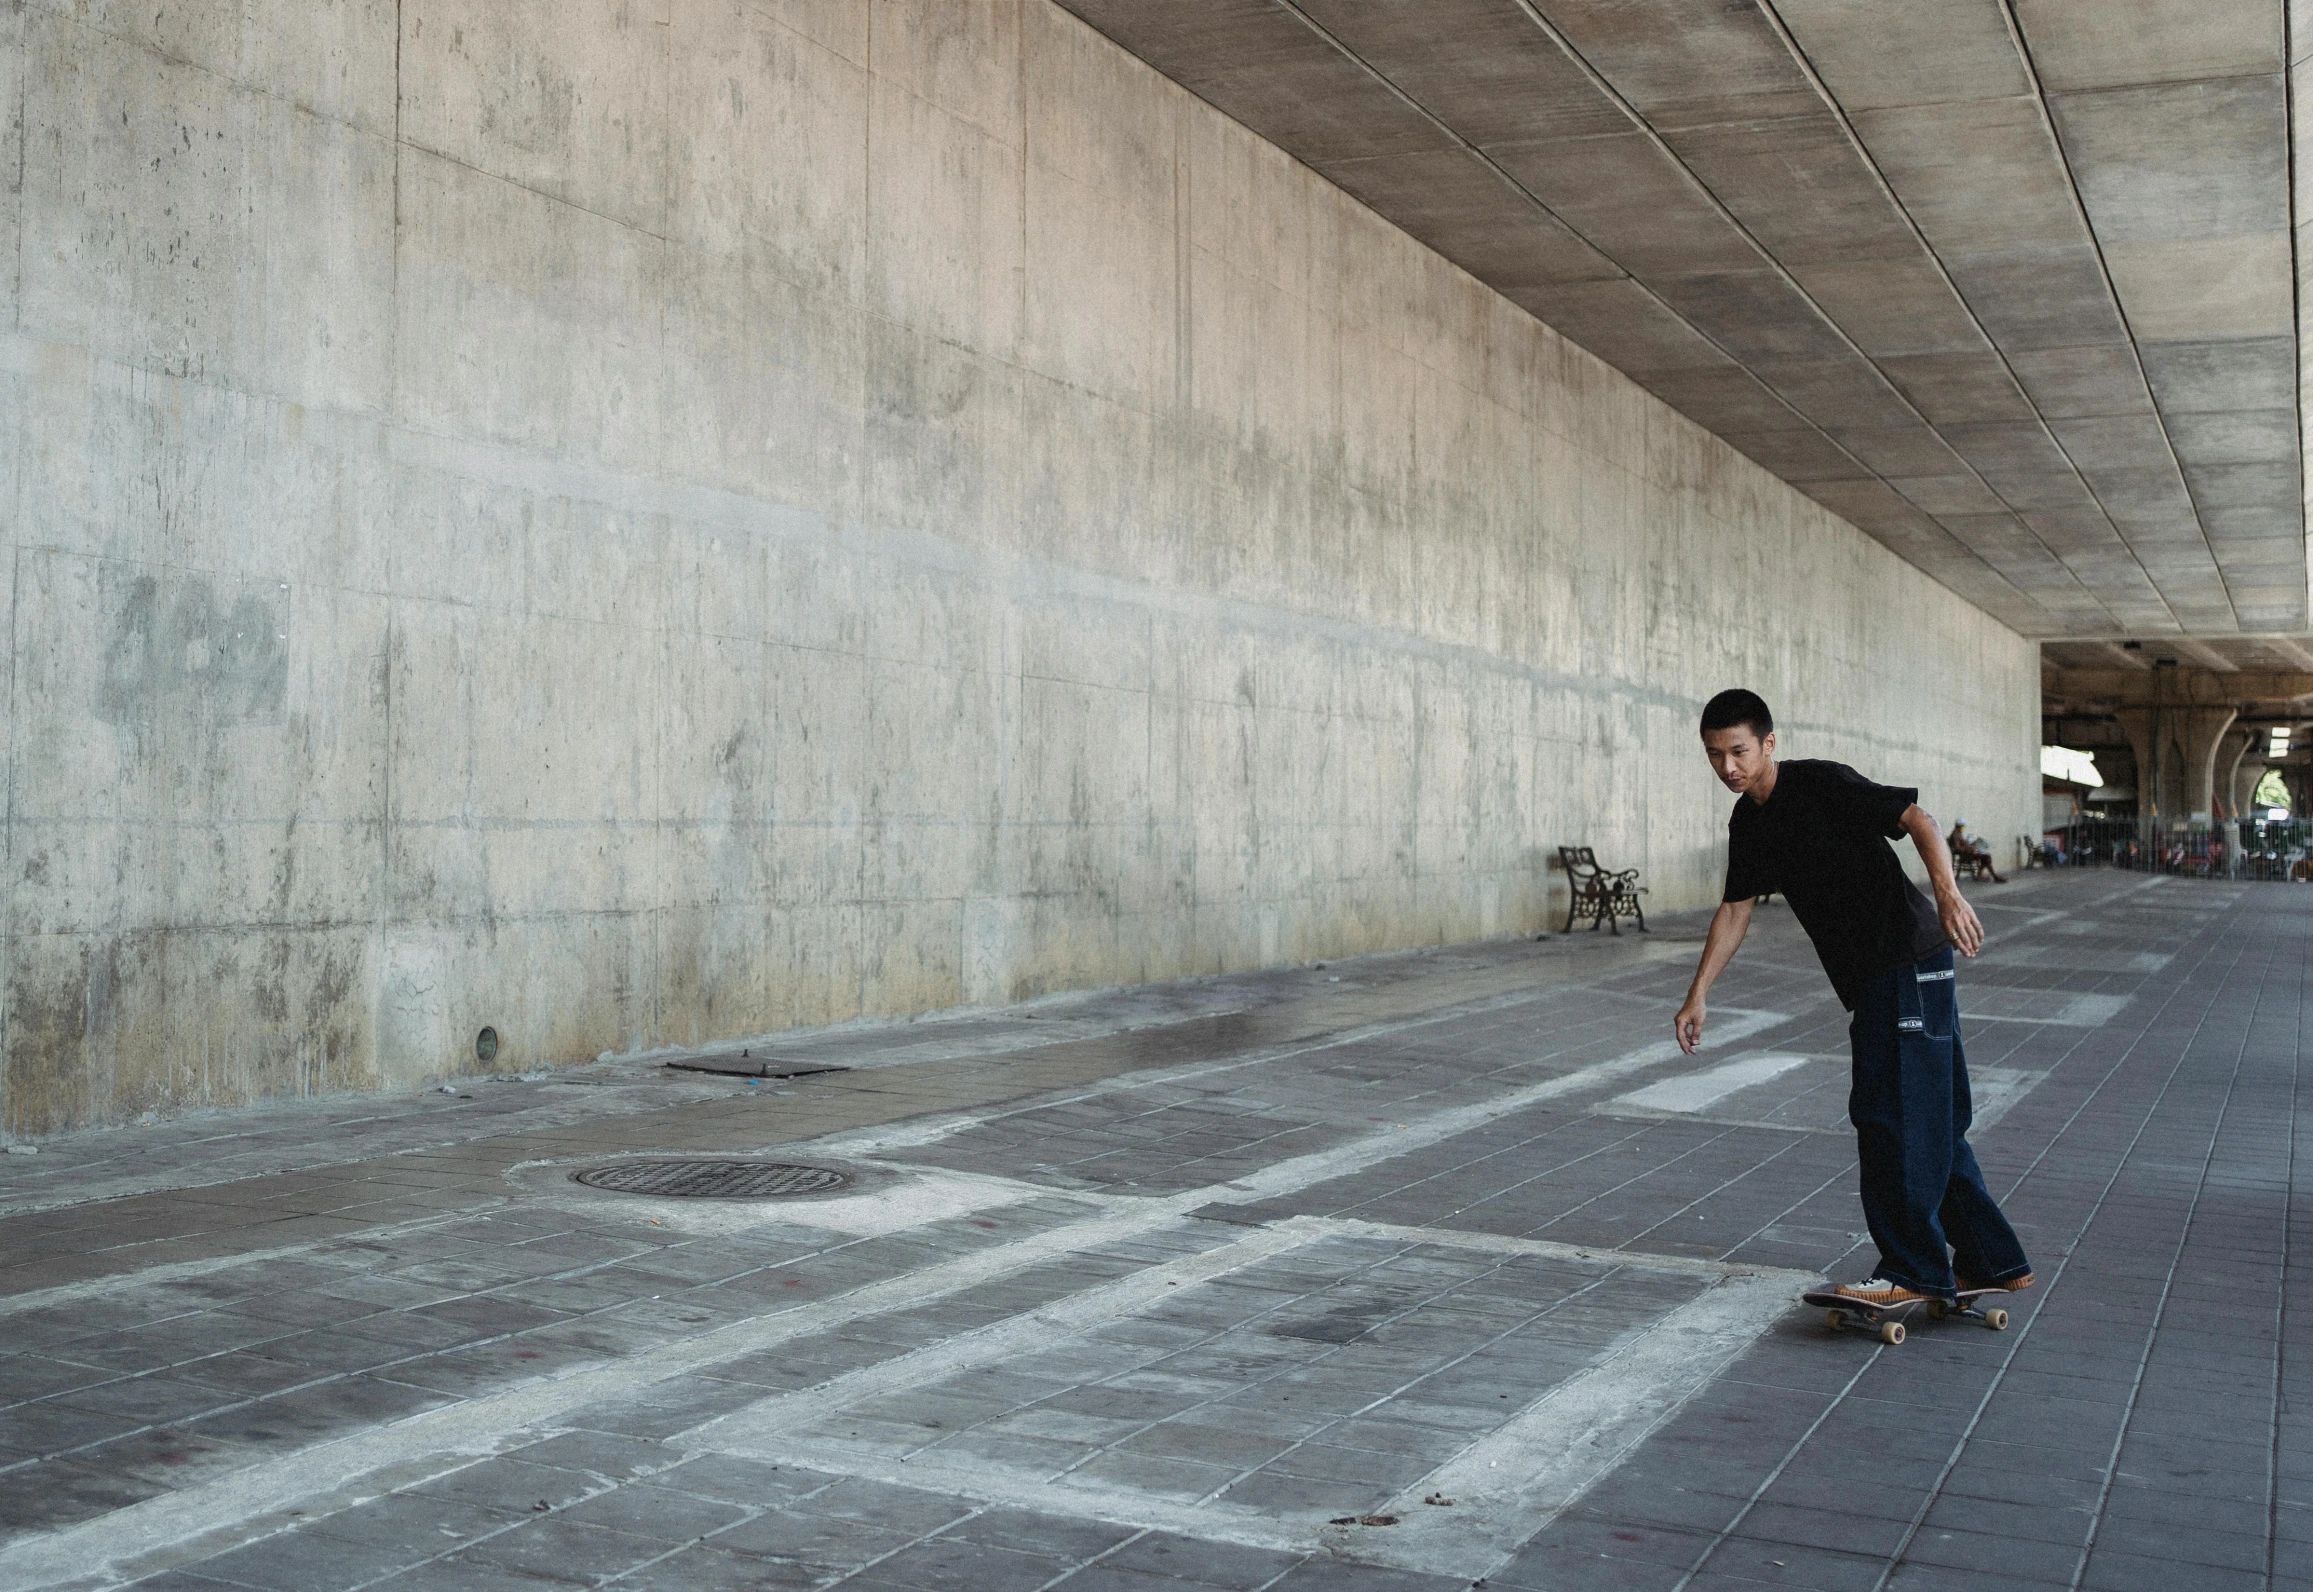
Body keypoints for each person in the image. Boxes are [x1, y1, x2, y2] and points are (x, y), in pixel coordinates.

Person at [1672, 690, 2033, 1308]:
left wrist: (1946, 892)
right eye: (1714, 755)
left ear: (1768, 744)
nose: (1727, 767)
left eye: (1738, 751)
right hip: (1890, 973)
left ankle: (1912, 1269)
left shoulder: (1823, 785)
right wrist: (1697, 995)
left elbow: (1916, 818)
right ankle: (1992, 1259)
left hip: (1904, 962)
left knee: (1888, 1114)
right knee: (1933, 1116)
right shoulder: (1750, 822)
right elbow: (1735, 910)